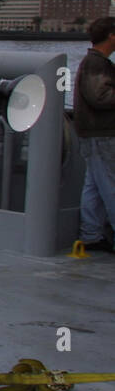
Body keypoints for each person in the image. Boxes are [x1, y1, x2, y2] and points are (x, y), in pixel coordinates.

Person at [74, 17, 115, 252]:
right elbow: (99, 97)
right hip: (102, 133)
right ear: (111, 36)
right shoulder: (96, 64)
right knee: (110, 184)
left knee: (95, 186)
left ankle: (91, 234)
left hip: (92, 132)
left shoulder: (95, 63)